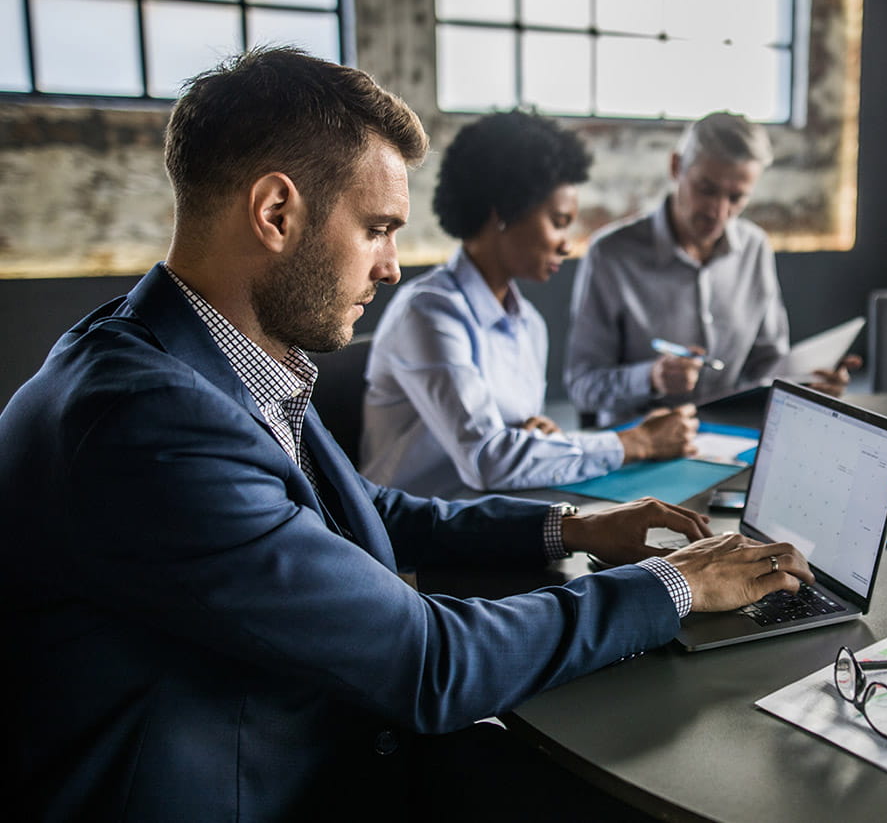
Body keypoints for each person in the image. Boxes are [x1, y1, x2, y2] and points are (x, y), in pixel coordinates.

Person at [0, 47, 812, 821]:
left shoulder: (192, 348)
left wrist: (570, 525)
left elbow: (349, 509)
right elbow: (428, 662)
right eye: (378, 228)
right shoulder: (149, 423)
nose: (391, 266)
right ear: (277, 210)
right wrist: (675, 584)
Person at [360, 111, 697, 496]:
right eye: (558, 221)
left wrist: (542, 438)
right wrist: (638, 442)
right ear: (503, 213)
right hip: (411, 542)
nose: (567, 244)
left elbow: (511, 444)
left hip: (494, 519)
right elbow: (489, 458)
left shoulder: (529, 325)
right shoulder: (427, 314)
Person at [564, 110, 856, 426]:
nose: (719, 211)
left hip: (731, 438)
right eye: (706, 189)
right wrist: (650, 378)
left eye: (736, 197)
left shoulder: (754, 247)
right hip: (640, 446)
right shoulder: (610, 254)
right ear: (676, 167)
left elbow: (767, 365)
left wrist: (809, 382)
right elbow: (582, 386)